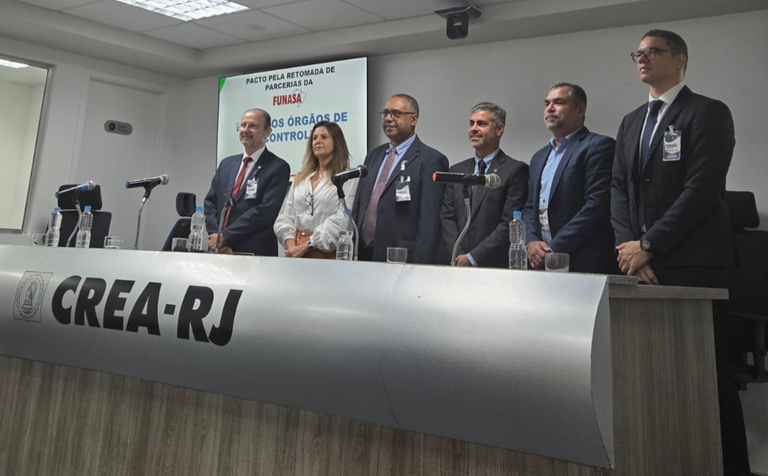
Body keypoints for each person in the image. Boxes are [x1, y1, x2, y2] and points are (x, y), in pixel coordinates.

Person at [611, 29, 751, 476]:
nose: (642, 58)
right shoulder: (631, 121)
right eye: (638, 53)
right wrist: (630, 248)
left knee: (706, 374)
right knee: (650, 374)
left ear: (680, 59)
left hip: (692, 263)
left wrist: (649, 245)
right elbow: (619, 190)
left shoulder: (707, 112)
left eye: (653, 51)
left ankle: (730, 468)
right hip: (639, 266)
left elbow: (702, 190)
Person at [524, 83, 616, 273]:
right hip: (540, 263)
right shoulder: (538, 157)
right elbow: (530, 208)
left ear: (580, 109)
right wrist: (531, 242)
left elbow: (597, 206)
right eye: (547, 103)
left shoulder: (598, 146)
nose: (550, 108)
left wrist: (554, 249)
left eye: (558, 102)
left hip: (582, 260)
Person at [352, 94, 449, 263]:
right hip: (363, 253)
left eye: (396, 114)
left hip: (401, 257)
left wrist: (420, 266)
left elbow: (430, 222)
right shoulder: (373, 155)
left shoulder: (430, 160)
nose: (389, 119)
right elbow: (360, 205)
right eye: (386, 113)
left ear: (413, 119)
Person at [440, 102, 528, 267]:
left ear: (499, 129)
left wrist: (472, 257)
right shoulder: (457, 170)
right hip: (457, 263)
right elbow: (447, 217)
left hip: (493, 265)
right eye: (471, 123)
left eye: (481, 124)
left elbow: (509, 223)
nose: (473, 129)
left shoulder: (515, 170)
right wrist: (458, 254)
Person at [204, 108, 290, 255]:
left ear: (267, 132)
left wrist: (226, 237)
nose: (245, 130)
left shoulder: (278, 167)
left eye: (253, 126)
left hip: (254, 253)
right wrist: (216, 238)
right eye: (243, 125)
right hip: (219, 251)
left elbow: (265, 212)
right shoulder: (226, 164)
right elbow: (210, 203)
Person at [273, 121, 357, 259]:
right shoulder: (301, 178)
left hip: (327, 254)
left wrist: (307, 246)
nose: (317, 141)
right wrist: (292, 247)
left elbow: (341, 221)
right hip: (295, 253)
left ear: (336, 142)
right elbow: (285, 217)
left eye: (324, 137)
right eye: (314, 138)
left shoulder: (347, 178)